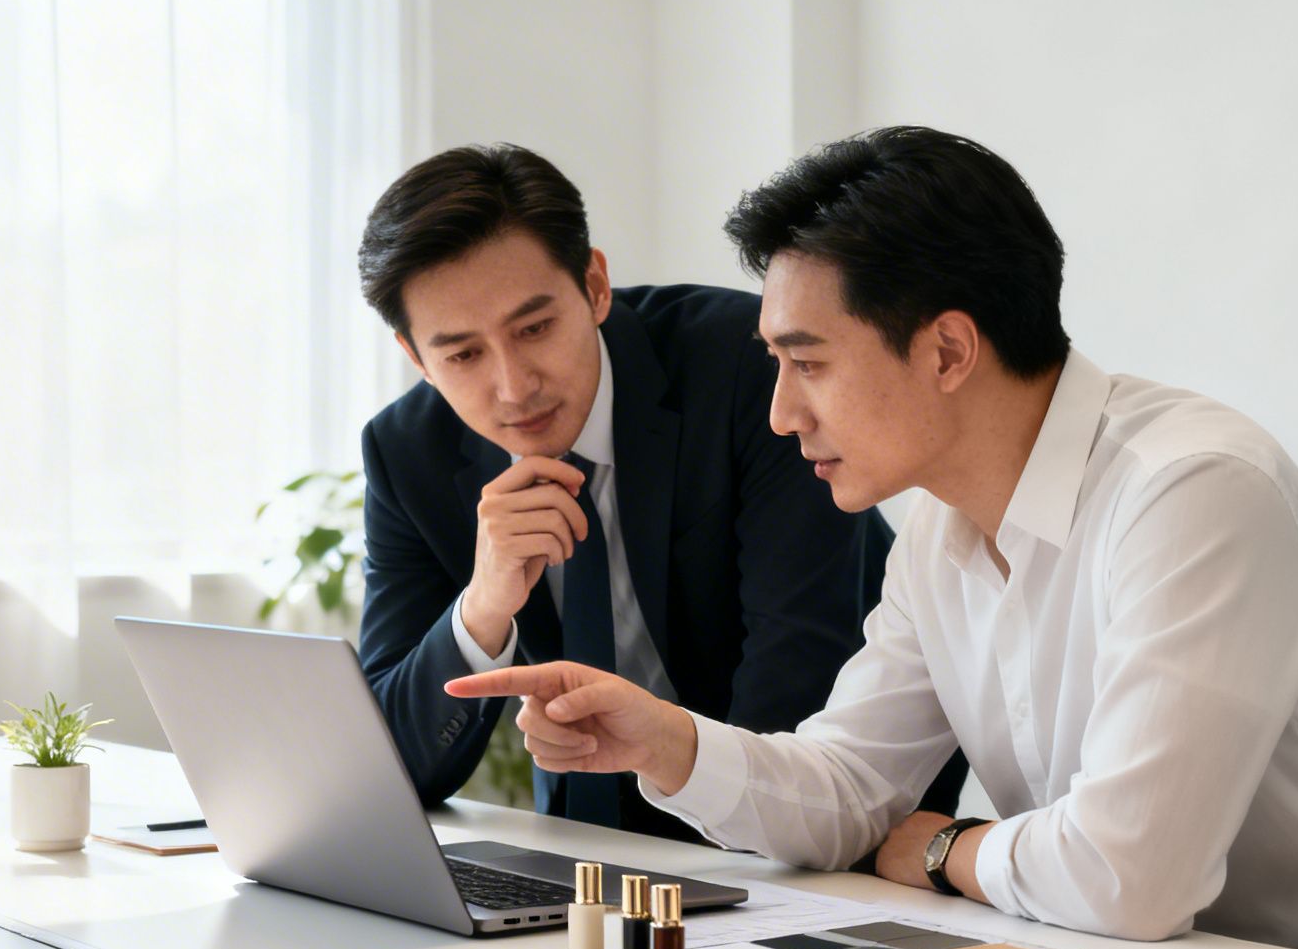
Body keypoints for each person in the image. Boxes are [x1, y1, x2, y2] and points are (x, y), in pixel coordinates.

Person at [448, 127, 1298, 949]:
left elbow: (1129, 877)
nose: (777, 414)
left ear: (946, 349)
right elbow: (851, 785)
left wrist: (938, 846)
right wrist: (663, 742)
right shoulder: (940, 525)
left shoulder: (1193, 490)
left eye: (805, 363)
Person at [356, 143, 966, 842]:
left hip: (817, 830)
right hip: (591, 850)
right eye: (463, 354)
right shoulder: (408, 454)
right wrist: (483, 607)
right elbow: (392, 768)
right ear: (414, 357)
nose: (514, 385)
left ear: (594, 286)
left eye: (535, 327)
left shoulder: (753, 370)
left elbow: (797, 685)